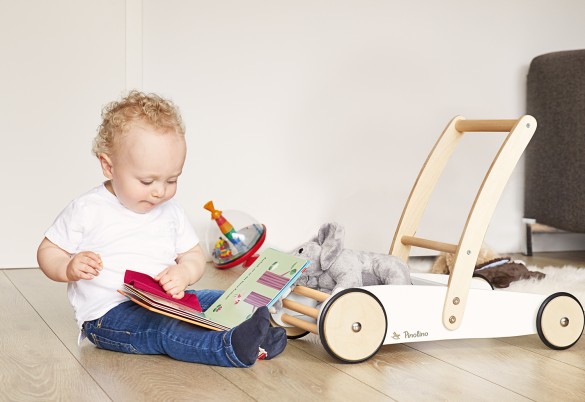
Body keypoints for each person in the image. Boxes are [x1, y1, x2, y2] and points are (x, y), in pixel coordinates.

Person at [36, 90, 287, 367]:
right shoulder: (87, 209)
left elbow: (193, 255)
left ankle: (261, 338)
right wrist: (67, 267)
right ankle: (229, 348)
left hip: (164, 302)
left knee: (222, 300)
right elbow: (48, 251)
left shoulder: (170, 210)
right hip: (109, 316)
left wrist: (184, 272)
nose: (159, 192)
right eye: (147, 181)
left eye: (171, 180)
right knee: (165, 330)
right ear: (109, 166)